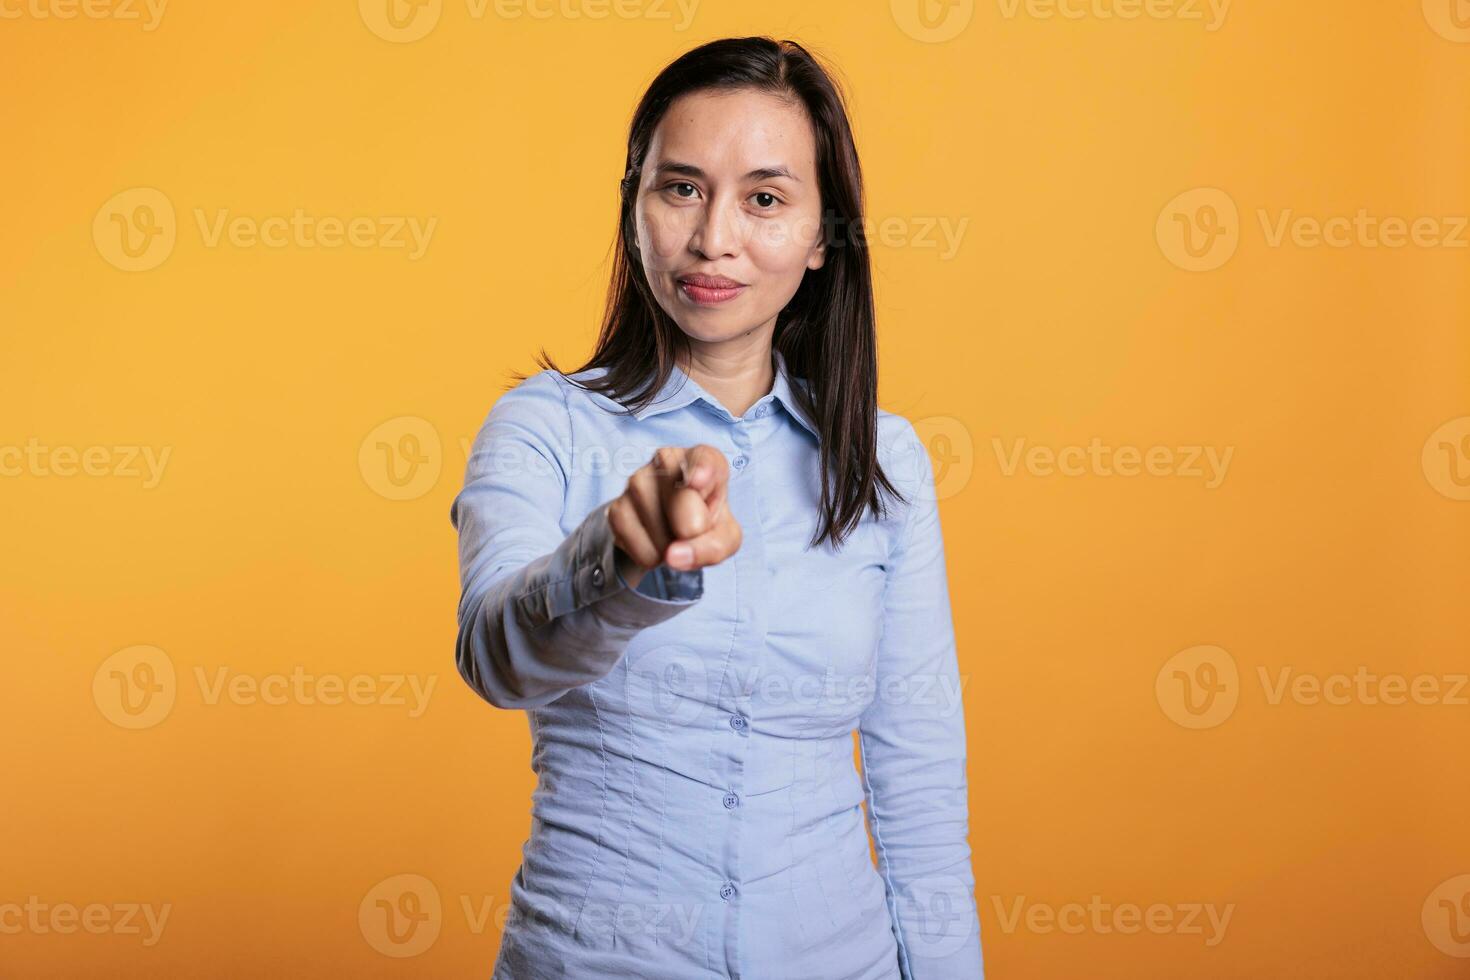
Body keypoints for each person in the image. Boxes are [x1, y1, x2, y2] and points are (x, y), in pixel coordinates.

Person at [451, 35, 984, 979]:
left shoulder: (884, 460)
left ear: (824, 237)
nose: (714, 238)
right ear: (634, 210)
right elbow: (495, 655)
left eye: (766, 199)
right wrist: (616, 563)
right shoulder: (544, 426)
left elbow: (917, 776)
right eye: (681, 188)